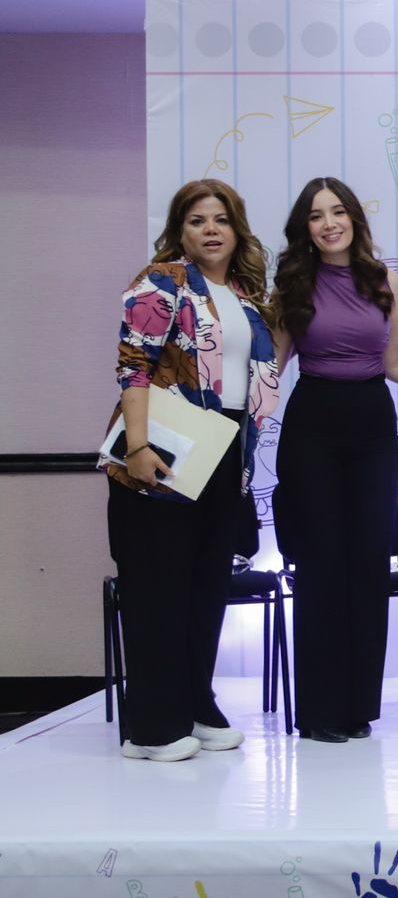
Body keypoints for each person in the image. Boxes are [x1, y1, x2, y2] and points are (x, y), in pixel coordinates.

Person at [103, 179, 280, 761]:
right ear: (180, 230)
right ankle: (152, 729)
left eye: (221, 219)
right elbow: (134, 367)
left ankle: (195, 706)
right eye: (198, 220)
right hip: (164, 447)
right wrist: (137, 446)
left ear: (237, 228)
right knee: (158, 590)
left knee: (205, 588)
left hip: (224, 451)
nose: (211, 229)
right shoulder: (162, 281)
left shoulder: (246, 296)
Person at [272, 176, 398, 743]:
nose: (329, 224)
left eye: (337, 212)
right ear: (306, 227)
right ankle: (319, 711)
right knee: (320, 565)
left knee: (368, 565)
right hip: (312, 424)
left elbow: (394, 363)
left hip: (373, 425)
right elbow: (274, 366)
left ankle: (358, 707)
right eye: (316, 215)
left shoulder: (385, 279)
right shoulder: (293, 283)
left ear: (354, 219)